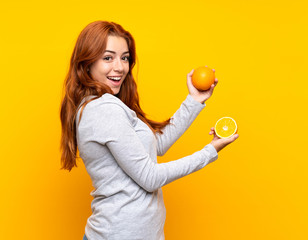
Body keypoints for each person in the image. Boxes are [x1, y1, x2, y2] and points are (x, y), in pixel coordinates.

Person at [59, 20, 239, 240]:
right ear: (87, 63)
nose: (119, 67)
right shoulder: (103, 109)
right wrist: (210, 151)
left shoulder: (104, 105)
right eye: (108, 57)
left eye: (124, 58)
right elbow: (149, 177)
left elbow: (157, 146)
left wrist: (194, 101)